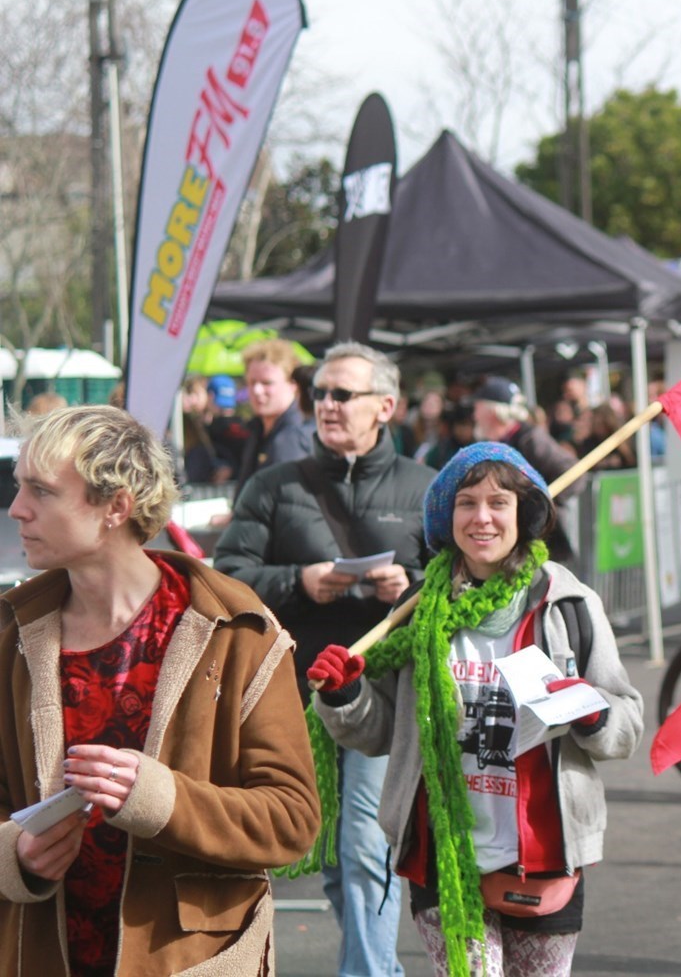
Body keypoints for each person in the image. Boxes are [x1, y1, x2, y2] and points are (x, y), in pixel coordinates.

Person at [0, 405, 319, 974]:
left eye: (41, 492)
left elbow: (291, 819)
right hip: (45, 955)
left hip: (192, 960)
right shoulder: (11, 636)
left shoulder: (237, 630)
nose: (16, 508)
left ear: (115, 507)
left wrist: (162, 798)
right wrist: (14, 855)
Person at [308, 443, 643, 976]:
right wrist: (344, 697)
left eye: (498, 502)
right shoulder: (417, 611)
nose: (481, 517)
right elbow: (377, 733)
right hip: (442, 857)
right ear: (448, 516)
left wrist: (592, 714)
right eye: (466, 503)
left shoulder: (568, 604)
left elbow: (626, 725)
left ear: (524, 514)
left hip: (544, 855)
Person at [216, 341, 436, 976]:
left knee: (365, 843)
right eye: (320, 394)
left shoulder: (425, 489)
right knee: (328, 851)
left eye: (343, 394)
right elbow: (229, 575)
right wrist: (299, 581)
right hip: (292, 693)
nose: (327, 405)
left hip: (380, 696)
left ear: (385, 407)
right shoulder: (273, 485)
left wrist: (412, 587)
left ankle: (371, 973)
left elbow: (458, 586)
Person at [471, 377, 580, 561]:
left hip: (541, 540)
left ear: (492, 412)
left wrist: (540, 504)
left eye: (478, 408)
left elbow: (573, 473)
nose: (474, 416)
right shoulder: (490, 444)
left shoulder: (530, 439)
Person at [239, 338, 314, 486]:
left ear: (293, 385)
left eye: (267, 383)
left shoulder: (295, 437)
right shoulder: (258, 429)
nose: (257, 390)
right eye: (252, 382)